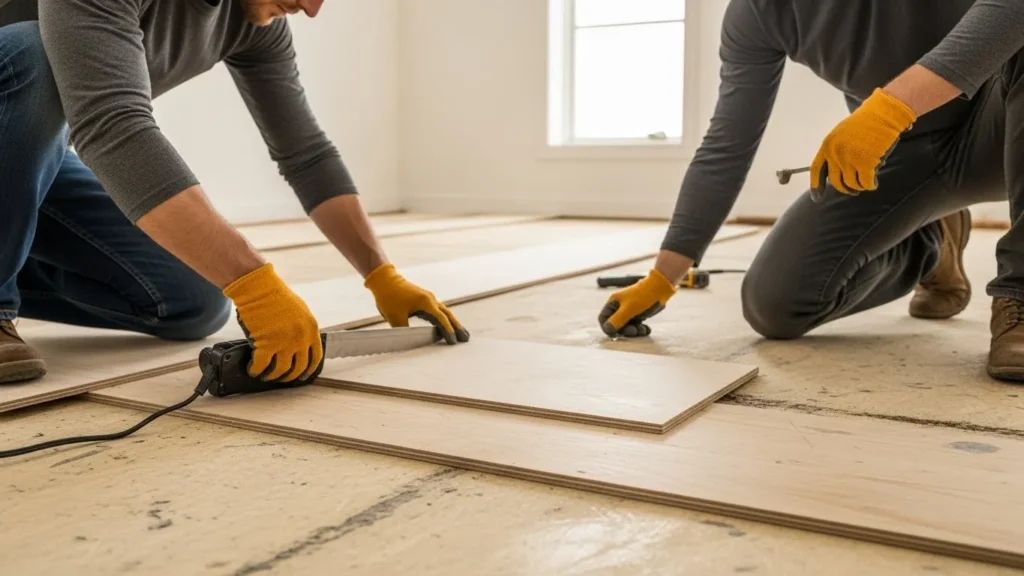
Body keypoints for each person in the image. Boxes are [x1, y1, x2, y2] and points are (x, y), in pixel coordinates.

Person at [0, 0, 468, 385]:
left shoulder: (252, 21)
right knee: (32, 52)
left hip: (29, 161)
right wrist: (258, 285)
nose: (312, 8)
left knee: (194, 300)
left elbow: (305, 154)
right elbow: (114, 126)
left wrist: (380, 274)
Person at [598, 0, 1024, 382]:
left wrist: (890, 109)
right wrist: (662, 278)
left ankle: (1018, 297)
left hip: (1000, 128)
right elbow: (727, 147)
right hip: (905, 159)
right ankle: (926, 243)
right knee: (776, 304)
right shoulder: (757, 12)